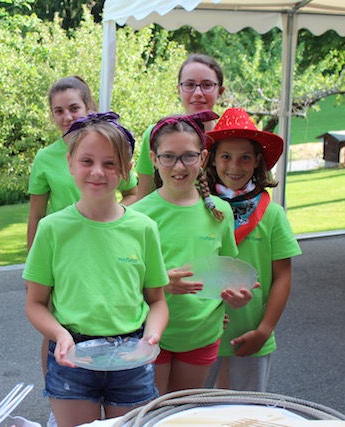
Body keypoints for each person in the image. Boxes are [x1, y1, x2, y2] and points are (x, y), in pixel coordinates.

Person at [24, 112, 170, 427]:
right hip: (73, 357)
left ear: (127, 169)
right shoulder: (52, 229)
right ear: (70, 163)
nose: (97, 172)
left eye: (110, 163)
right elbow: (35, 303)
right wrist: (59, 335)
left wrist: (152, 336)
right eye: (87, 161)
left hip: (132, 357)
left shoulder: (144, 228)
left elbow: (157, 300)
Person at [130, 111, 255, 396]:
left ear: (203, 158)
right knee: (153, 411)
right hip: (148, 334)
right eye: (168, 157)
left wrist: (237, 294)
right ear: (153, 158)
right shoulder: (136, 216)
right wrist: (162, 284)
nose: (179, 166)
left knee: (183, 410)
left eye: (188, 156)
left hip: (202, 334)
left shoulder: (220, 212)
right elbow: (121, 281)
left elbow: (224, 270)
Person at [202, 108, 302, 391]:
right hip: (197, 336)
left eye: (245, 157)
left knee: (246, 410)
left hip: (251, 335)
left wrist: (264, 330)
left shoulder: (272, 214)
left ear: (258, 160)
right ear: (211, 158)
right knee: (193, 410)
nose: (235, 165)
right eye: (226, 156)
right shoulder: (196, 209)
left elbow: (282, 276)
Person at [27, 76, 138, 251]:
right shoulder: (44, 158)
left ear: (88, 106)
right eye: (59, 111)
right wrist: (33, 258)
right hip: (66, 244)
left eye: (74, 108)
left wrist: (108, 216)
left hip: (108, 240)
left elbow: (133, 194)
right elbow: (36, 215)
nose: (67, 117)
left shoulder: (109, 149)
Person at [136, 54, 225, 199]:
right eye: (189, 85)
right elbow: (143, 198)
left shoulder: (228, 137)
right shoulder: (155, 134)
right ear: (178, 90)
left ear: (220, 91)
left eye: (207, 85)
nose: (198, 93)